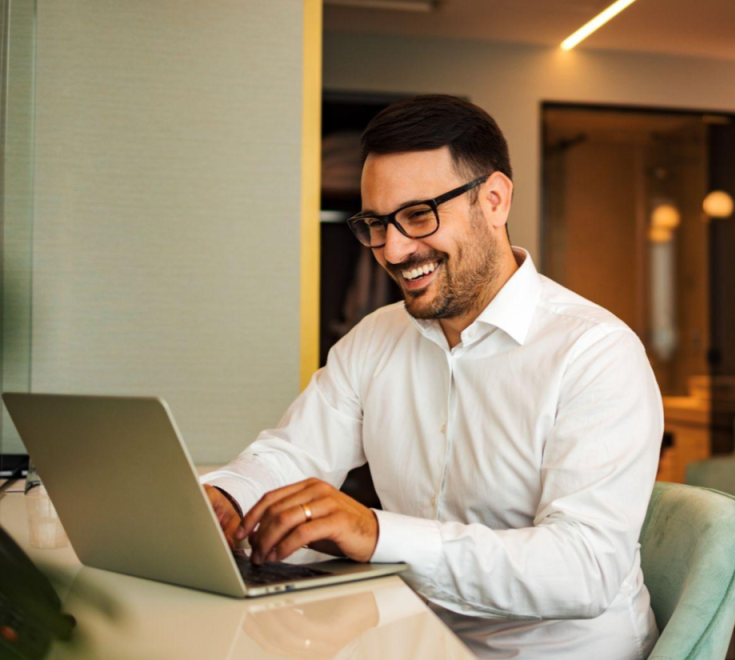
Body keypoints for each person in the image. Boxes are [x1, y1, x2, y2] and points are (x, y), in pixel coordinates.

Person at [201, 95, 663, 659]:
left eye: (418, 215)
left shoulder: (595, 353)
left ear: (493, 200)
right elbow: (291, 454)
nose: (392, 249)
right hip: (411, 639)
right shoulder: (375, 338)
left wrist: (375, 533)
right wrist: (225, 494)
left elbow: (582, 570)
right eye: (375, 223)